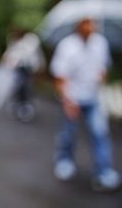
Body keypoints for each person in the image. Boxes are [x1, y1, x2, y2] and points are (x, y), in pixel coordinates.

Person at [50, 18, 120, 191]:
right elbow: (60, 77)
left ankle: (104, 171)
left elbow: (104, 67)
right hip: (72, 98)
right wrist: (67, 101)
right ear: (79, 25)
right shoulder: (67, 46)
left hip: (93, 97)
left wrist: (102, 77)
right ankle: (64, 161)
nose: (92, 27)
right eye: (87, 23)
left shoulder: (100, 43)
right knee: (69, 133)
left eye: (94, 23)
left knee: (100, 132)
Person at [1, 27, 45, 122]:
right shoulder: (12, 38)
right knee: (17, 88)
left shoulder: (31, 39)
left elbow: (29, 53)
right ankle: (19, 106)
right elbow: (10, 51)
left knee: (27, 89)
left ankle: (26, 109)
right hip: (18, 68)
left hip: (29, 68)